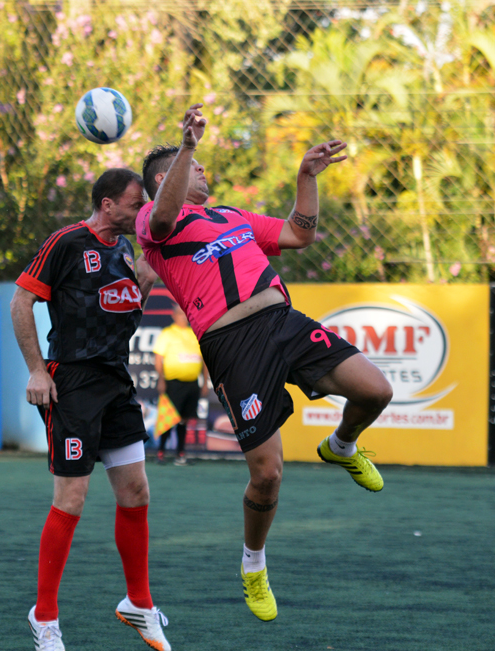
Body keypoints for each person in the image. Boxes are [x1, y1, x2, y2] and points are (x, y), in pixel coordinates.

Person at [136, 105, 393, 622]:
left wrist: (305, 176)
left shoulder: (231, 216)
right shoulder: (154, 223)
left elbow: (300, 234)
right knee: (268, 475)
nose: (205, 170)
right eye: (195, 165)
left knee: (376, 391)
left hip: (284, 322)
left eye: (201, 162)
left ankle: (340, 446)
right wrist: (186, 145)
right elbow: (162, 217)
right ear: (168, 178)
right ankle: (254, 565)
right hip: (234, 345)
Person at [11, 168, 171, 651]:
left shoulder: (127, 251)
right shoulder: (66, 242)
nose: (140, 210)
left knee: (137, 492)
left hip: (116, 380)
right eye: (133, 203)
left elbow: (121, 308)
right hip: (73, 382)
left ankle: (139, 603)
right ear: (107, 204)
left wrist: (143, 281)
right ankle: (44, 619)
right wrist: (37, 371)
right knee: (72, 498)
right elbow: (21, 303)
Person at [153, 302, 208, 465]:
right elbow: (158, 359)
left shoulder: (194, 334)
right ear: (173, 316)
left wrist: (205, 382)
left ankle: (180, 454)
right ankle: (161, 452)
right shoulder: (167, 333)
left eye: (185, 314)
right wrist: (161, 380)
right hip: (173, 383)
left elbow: (204, 361)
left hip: (191, 384)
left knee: (185, 419)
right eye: (180, 313)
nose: (183, 317)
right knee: (169, 418)